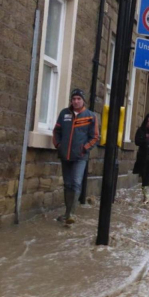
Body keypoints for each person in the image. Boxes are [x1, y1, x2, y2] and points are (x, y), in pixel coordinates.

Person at [52, 89, 99, 224]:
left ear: (83, 100)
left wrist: (84, 148)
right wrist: (59, 145)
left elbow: (95, 137)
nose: (76, 101)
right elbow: (57, 131)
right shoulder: (64, 114)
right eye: (74, 99)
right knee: (67, 184)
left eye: (78, 99)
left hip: (80, 157)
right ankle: (67, 213)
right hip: (65, 155)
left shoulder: (90, 116)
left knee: (76, 183)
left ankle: (72, 213)